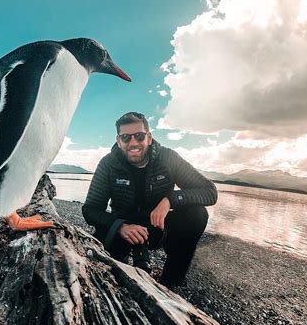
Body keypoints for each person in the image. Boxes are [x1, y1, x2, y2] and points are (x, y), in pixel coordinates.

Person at [82, 111, 218, 288]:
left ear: (149, 137)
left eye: (139, 136)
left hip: (158, 226)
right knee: (104, 274)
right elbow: (90, 210)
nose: (133, 143)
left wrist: (170, 199)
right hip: (123, 228)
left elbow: (210, 191)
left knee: (197, 214)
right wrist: (120, 227)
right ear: (118, 140)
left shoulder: (168, 158)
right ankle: (120, 260)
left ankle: (170, 282)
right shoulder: (108, 164)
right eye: (126, 138)